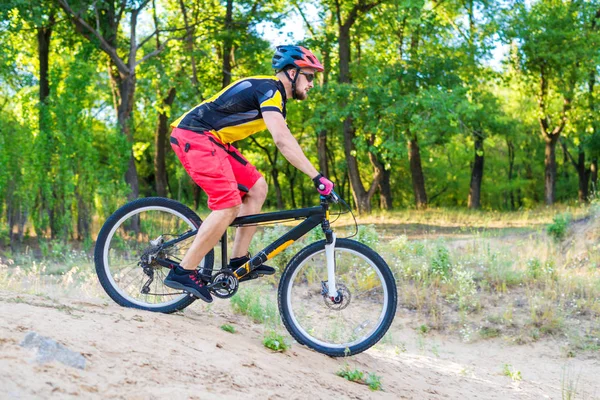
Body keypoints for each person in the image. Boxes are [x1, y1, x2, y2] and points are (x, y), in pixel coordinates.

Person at [164, 45, 335, 303]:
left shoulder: (274, 96)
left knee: (257, 187)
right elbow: (282, 140)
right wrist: (317, 177)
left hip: (214, 141)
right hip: (195, 135)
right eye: (309, 76)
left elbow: (286, 139)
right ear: (291, 72)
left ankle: (238, 261)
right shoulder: (269, 90)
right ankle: (183, 271)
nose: (312, 83)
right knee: (229, 204)